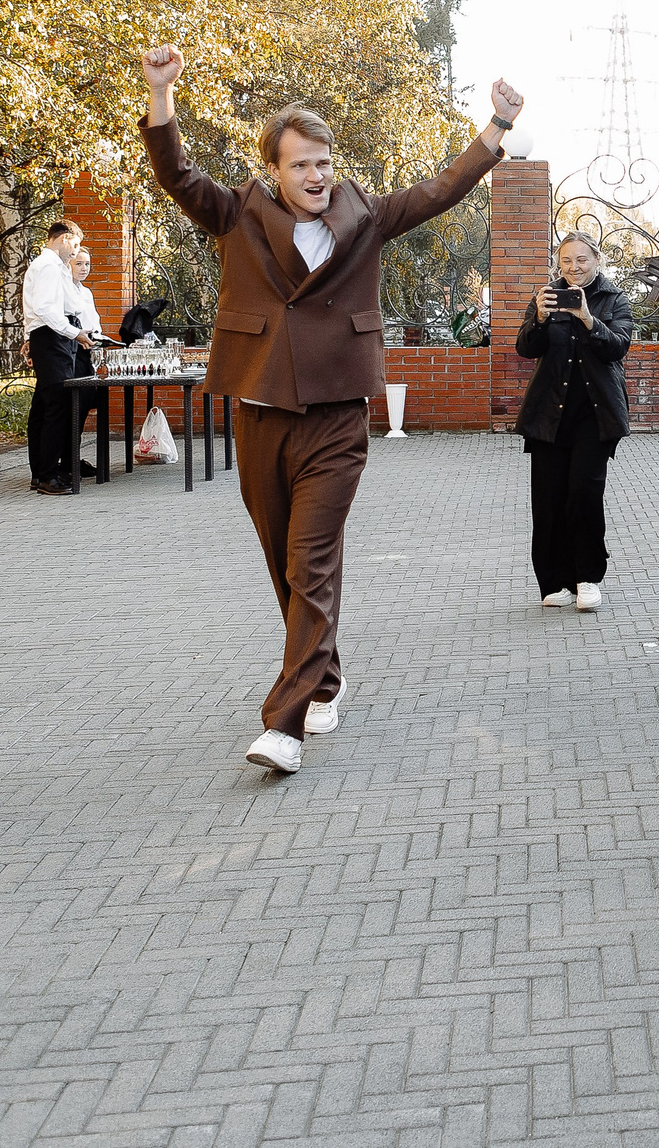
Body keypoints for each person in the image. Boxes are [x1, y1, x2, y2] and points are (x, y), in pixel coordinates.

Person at [139, 43, 519, 775]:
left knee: (311, 560)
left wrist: (495, 126)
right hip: (259, 413)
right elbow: (177, 176)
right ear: (274, 172)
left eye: (323, 162)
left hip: (338, 419)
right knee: (284, 564)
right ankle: (327, 678)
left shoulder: (366, 216)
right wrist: (162, 97)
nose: (315, 176)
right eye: (300, 164)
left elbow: (440, 189)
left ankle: (285, 724)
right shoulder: (239, 214)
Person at [514, 232, 633, 613]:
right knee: (548, 500)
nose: (574, 268)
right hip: (549, 415)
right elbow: (525, 349)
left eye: (581, 260)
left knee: (584, 495)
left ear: (596, 260)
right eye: (566, 261)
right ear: (558, 263)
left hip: (594, 417)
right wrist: (540, 317)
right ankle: (553, 581)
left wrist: (586, 318)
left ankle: (587, 578)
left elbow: (618, 346)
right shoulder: (546, 297)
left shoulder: (613, 299)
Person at [22, 220, 86, 495]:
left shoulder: (54, 267)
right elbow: (46, 309)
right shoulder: (47, 265)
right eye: (75, 244)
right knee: (56, 407)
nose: (76, 251)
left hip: (52, 337)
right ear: (63, 238)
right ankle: (48, 475)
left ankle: (41, 472)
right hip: (52, 337)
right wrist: (73, 333)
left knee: (43, 407)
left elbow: (67, 304)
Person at [65, 245, 112, 479]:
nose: (84, 269)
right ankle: (66, 460)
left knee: (83, 406)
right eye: (79, 264)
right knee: (70, 406)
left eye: (87, 264)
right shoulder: (64, 291)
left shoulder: (86, 292)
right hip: (72, 351)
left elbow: (95, 323)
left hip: (88, 351)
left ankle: (73, 457)